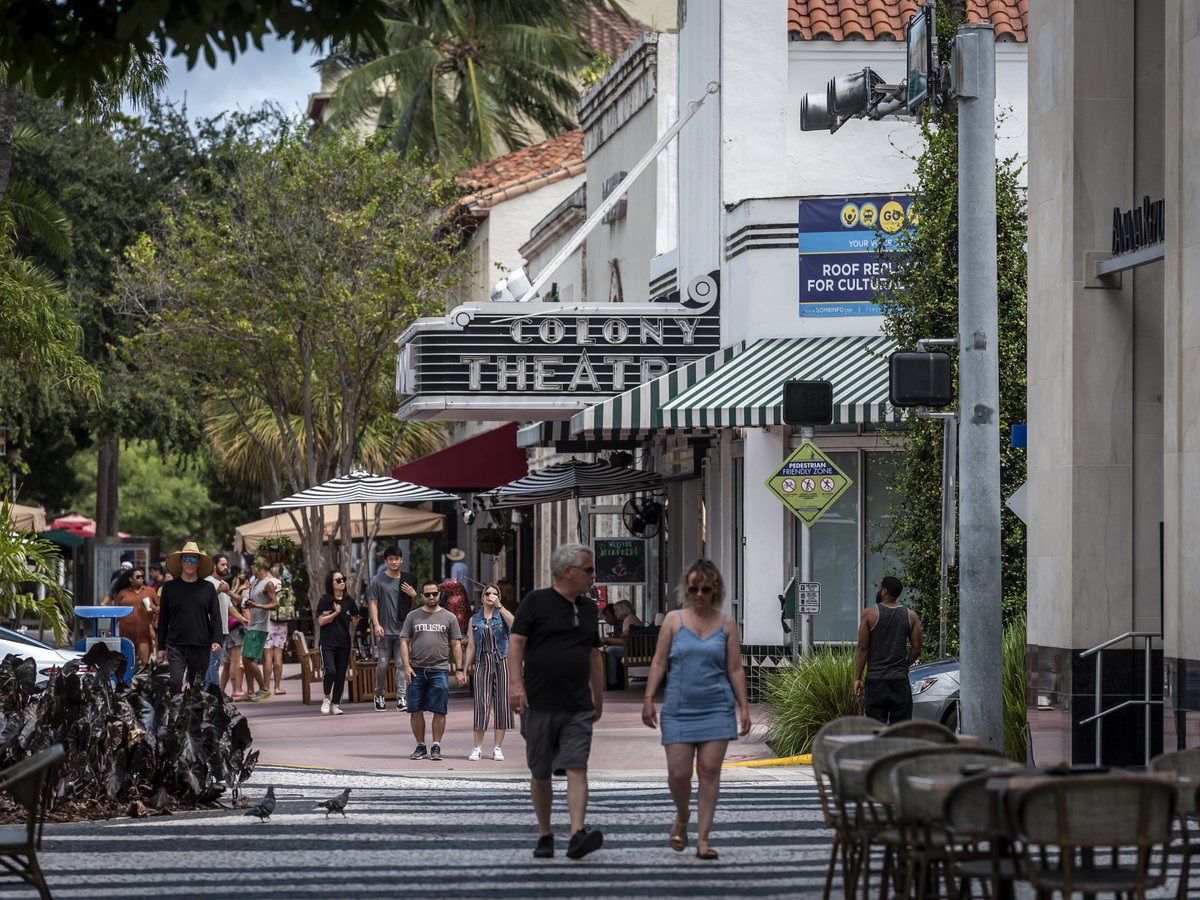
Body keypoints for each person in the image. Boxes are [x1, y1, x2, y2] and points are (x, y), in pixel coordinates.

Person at [641, 559, 751, 860]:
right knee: (677, 774)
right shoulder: (674, 621)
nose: (700, 594)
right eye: (694, 588)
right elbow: (659, 662)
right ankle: (682, 815)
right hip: (679, 706)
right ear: (686, 589)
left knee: (708, 771)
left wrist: (744, 706)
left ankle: (703, 840)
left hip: (717, 706)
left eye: (706, 588)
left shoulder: (727, 624)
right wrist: (649, 698)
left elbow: (735, 668)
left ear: (715, 589)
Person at [508, 543, 605, 860]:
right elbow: (516, 645)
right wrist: (516, 686)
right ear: (569, 571)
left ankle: (577, 833)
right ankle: (545, 833)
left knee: (577, 766)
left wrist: (598, 696)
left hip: (578, 705)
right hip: (539, 703)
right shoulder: (535, 602)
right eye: (589, 570)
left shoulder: (590, 609)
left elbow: (594, 654)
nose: (593, 576)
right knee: (540, 772)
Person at [400, 580, 466, 761]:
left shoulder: (449, 617)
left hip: (439, 669)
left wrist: (459, 669)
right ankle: (420, 745)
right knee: (415, 710)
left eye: (434, 594)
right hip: (416, 669)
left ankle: (436, 746)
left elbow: (456, 644)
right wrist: (406, 666)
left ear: (439, 595)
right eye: (427, 594)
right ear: (421, 596)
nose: (431, 597)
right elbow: (404, 641)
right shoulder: (413, 616)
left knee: (440, 710)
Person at [854, 575, 922, 724]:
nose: (877, 590)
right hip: (899, 681)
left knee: (876, 729)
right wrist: (905, 665)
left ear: (884, 591)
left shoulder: (869, 614)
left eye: (878, 588)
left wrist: (857, 678)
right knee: (901, 729)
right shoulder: (910, 616)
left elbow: (862, 648)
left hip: (876, 681)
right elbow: (917, 649)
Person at [155, 541, 223, 693]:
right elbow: (163, 618)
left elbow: (216, 616)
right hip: (175, 644)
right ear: (181, 562)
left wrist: (216, 640)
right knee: (175, 681)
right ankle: (175, 713)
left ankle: (194, 715)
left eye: (193, 559)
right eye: (186, 559)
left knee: (197, 686)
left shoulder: (207, 588)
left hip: (200, 644)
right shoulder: (169, 587)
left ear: (198, 562)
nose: (190, 563)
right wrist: (160, 647)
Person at [466, 584, 515, 761]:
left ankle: (497, 748)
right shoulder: (475, 620)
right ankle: (477, 747)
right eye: (488, 593)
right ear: (482, 597)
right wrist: (463, 669)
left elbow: (515, 624)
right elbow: (471, 646)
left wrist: (500, 606)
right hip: (482, 661)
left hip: (501, 660)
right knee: (481, 704)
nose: (491, 596)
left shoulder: (502, 615)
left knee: (502, 704)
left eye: (495, 594)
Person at [367, 545, 418, 712]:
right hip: (383, 629)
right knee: (382, 664)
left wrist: (414, 595)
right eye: (391, 559)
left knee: (402, 664)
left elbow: (415, 608)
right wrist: (376, 624)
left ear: (401, 560)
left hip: (402, 630)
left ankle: (401, 697)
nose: (394, 562)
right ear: (386, 561)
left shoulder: (407, 580)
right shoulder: (377, 580)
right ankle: (379, 694)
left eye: (397, 559)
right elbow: (373, 603)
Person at [316, 568, 360, 715]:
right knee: (331, 671)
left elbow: (354, 620)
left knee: (341, 674)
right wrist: (335, 613)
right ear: (331, 583)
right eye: (338, 580)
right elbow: (321, 621)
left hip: (344, 643)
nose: (342, 582)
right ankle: (327, 698)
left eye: (343, 579)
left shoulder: (349, 601)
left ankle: (335, 704)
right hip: (327, 642)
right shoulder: (325, 601)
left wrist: (355, 620)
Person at [240, 557, 278, 702]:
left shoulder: (268, 584)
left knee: (246, 658)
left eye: (253, 565)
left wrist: (258, 606)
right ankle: (250, 691)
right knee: (246, 658)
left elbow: (275, 604)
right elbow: (248, 601)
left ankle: (264, 688)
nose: (251, 568)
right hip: (252, 624)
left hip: (260, 626)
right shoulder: (255, 583)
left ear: (261, 566)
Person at [110, 566, 159, 664]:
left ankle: (144, 679)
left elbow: (160, 608)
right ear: (130, 579)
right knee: (127, 664)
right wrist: (110, 630)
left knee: (144, 664)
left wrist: (154, 608)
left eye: (142, 576)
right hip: (126, 635)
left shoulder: (149, 591)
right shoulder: (122, 593)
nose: (141, 578)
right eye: (138, 577)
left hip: (144, 635)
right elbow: (114, 613)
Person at [205, 554, 234, 689]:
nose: (225, 567)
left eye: (226, 564)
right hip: (212, 630)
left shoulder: (224, 584)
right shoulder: (208, 582)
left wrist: (243, 620)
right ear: (214, 565)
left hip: (223, 629)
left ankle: (210, 692)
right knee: (213, 662)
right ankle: (214, 692)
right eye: (222, 564)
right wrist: (218, 591)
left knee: (214, 662)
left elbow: (230, 606)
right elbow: (204, 602)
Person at [602, 600, 644, 690]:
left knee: (610, 650)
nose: (615, 613)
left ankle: (613, 682)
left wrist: (607, 639)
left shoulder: (628, 619)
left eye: (616, 610)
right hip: (636, 648)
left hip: (635, 650)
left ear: (622, 610)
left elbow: (624, 641)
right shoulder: (631, 618)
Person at [222, 569, 250, 700]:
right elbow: (245, 612)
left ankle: (234, 688)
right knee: (238, 660)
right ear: (246, 582)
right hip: (239, 629)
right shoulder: (243, 594)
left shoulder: (231, 594)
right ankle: (237, 689)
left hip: (230, 629)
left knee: (232, 661)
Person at [263, 564, 290, 695]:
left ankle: (266, 687)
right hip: (282, 623)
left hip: (268, 623)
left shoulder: (267, 584)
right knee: (278, 656)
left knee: (268, 656)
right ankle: (277, 687)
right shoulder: (283, 586)